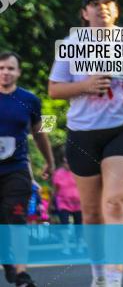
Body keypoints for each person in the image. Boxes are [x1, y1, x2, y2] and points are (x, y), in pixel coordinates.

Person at [48, 0, 123, 287]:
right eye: (94, 3)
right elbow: (54, 90)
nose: (101, 7)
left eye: (108, 3)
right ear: (84, 13)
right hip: (83, 133)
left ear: (116, 10)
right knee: (91, 213)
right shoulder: (70, 44)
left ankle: (115, 279)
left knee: (116, 201)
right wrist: (85, 85)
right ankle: (99, 272)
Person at [0, 50, 54, 287]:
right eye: (1, 68)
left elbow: (41, 134)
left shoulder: (30, 100)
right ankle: (7, 260)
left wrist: (49, 162)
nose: (5, 73)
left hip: (17, 168)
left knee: (17, 217)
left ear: (18, 72)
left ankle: (22, 273)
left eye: (11, 68)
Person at [51, 148, 83, 256]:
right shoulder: (58, 173)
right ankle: (66, 246)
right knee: (64, 224)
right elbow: (55, 189)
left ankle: (79, 245)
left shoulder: (79, 171)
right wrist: (51, 203)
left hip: (78, 203)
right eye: (66, 161)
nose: (68, 163)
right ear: (63, 160)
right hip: (63, 202)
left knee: (78, 225)